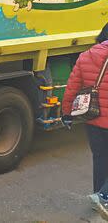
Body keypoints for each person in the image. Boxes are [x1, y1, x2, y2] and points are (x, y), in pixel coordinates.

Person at [62, 23, 108, 218]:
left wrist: (66, 113)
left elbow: (72, 87)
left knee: (100, 159)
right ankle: (103, 197)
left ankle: (100, 198)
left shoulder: (86, 55)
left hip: (92, 118)